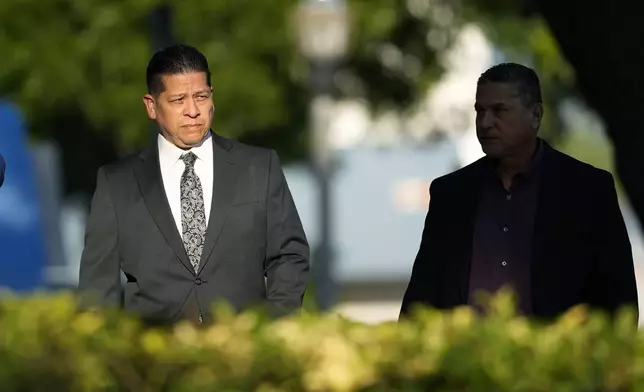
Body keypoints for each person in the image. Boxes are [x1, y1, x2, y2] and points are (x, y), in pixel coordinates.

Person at [78, 44, 309, 325]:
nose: (192, 110)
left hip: (244, 348)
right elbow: (97, 289)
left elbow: (289, 255)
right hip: (154, 354)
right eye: (178, 100)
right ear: (151, 106)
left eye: (200, 96)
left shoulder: (259, 167)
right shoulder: (117, 184)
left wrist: (274, 324)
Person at [400, 63, 638, 321]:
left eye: (499, 110)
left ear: (535, 115)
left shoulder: (587, 190)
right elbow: (419, 303)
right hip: (463, 357)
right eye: (480, 111)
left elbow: (619, 305)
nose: (485, 122)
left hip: (554, 358)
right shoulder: (451, 193)